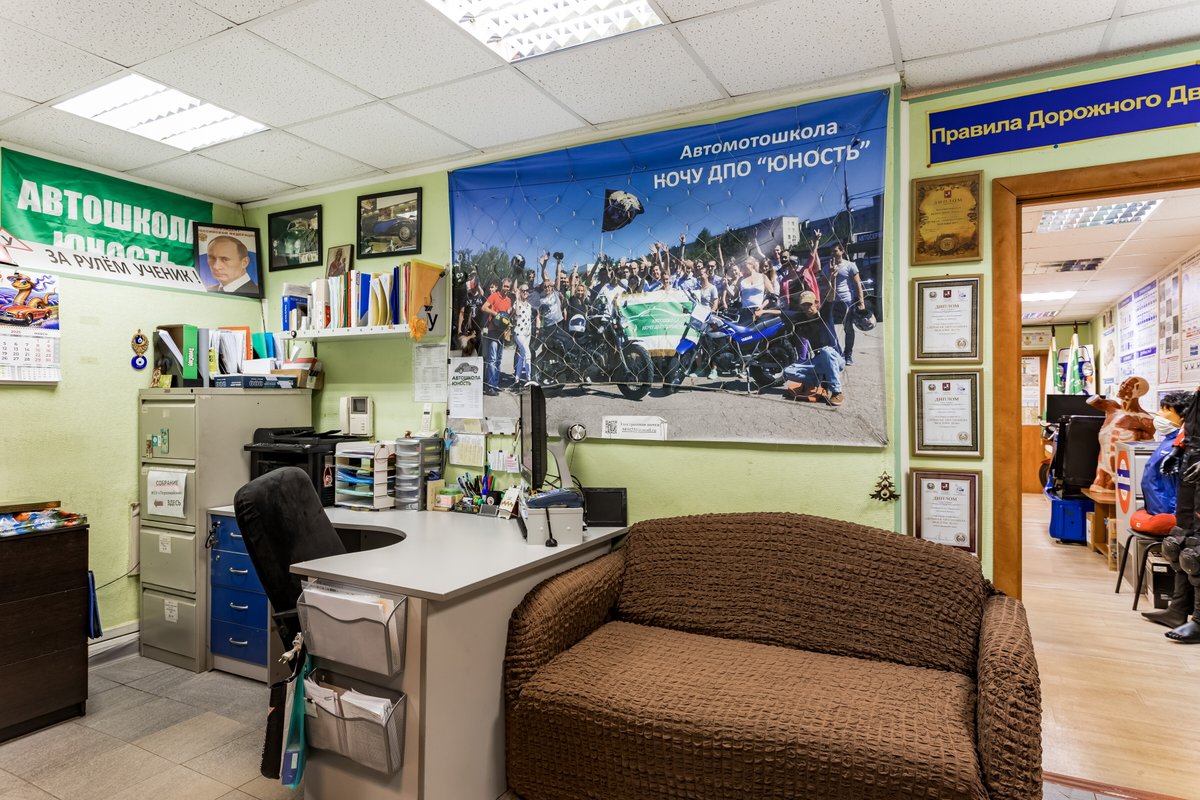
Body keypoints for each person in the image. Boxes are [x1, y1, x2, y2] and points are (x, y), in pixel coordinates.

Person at [1141, 391, 1194, 630]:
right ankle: (1178, 609)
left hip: (1182, 507)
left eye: (1165, 410)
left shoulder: (1187, 436)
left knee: (1189, 553)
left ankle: (1186, 613)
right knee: (1179, 549)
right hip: (1172, 505)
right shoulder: (1173, 440)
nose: (1159, 414)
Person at [1160, 387, 1200, 643]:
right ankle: (1178, 609)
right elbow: (1189, 426)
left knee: (1196, 550)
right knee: (1179, 540)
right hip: (1190, 462)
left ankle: (1199, 619)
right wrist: (1176, 452)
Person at [1086, 376, 1156, 491]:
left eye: (1128, 386)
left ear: (1138, 392)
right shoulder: (1112, 408)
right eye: (1123, 383)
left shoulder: (1144, 419)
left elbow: (1148, 448)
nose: (1122, 386)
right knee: (1098, 490)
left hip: (1124, 472)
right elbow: (1093, 401)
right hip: (1102, 469)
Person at [783, 290, 846, 405]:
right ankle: (818, 382)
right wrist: (763, 311)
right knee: (788, 371)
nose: (807, 307)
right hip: (819, 361)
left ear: (816, 303)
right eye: (804, 305)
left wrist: (833, 282)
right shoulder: (801, 317)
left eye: (809, 304)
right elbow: (781, 312)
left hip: (836, 360)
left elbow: (830, 297)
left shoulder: (824, 314)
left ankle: (837, 392)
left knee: (826, 350)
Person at [822, 243, 865, 365]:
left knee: (848, 328)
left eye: (835, 251)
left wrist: (861, 302)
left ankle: (848, 354)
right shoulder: (826, 268)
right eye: (831, 252)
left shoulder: (850, 265)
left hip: (846, 301)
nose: (833, 254)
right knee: (829, 329)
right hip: (831, 301)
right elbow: (824, 285)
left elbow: (858, 284)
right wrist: (831, 274)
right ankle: (837, 353)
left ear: (842, 251)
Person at [481, 278, 513, 395]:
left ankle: (495, 384)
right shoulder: (494, 296)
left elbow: (507, 315)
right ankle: (490, 387)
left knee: (499, 360)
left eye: (508, 287)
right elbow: (484, 307)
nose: (506, 288)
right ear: (501, 286)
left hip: (502, 333)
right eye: (504, 286)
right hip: (493, 331)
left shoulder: (508, 300)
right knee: (492, 359)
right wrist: (496, 314)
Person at [512, 283, 533, 383]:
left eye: (527, 290)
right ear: (519, 292)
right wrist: (517, 298)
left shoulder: (529, 305)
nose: (525, 292)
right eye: (523, 291)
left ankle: (517, 378)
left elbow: (529, 320)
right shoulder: (516, 303)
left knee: (522, 356)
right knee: (528, 354)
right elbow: (516, 314)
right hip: (519, 333)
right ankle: (529, 378)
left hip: (527, 333)